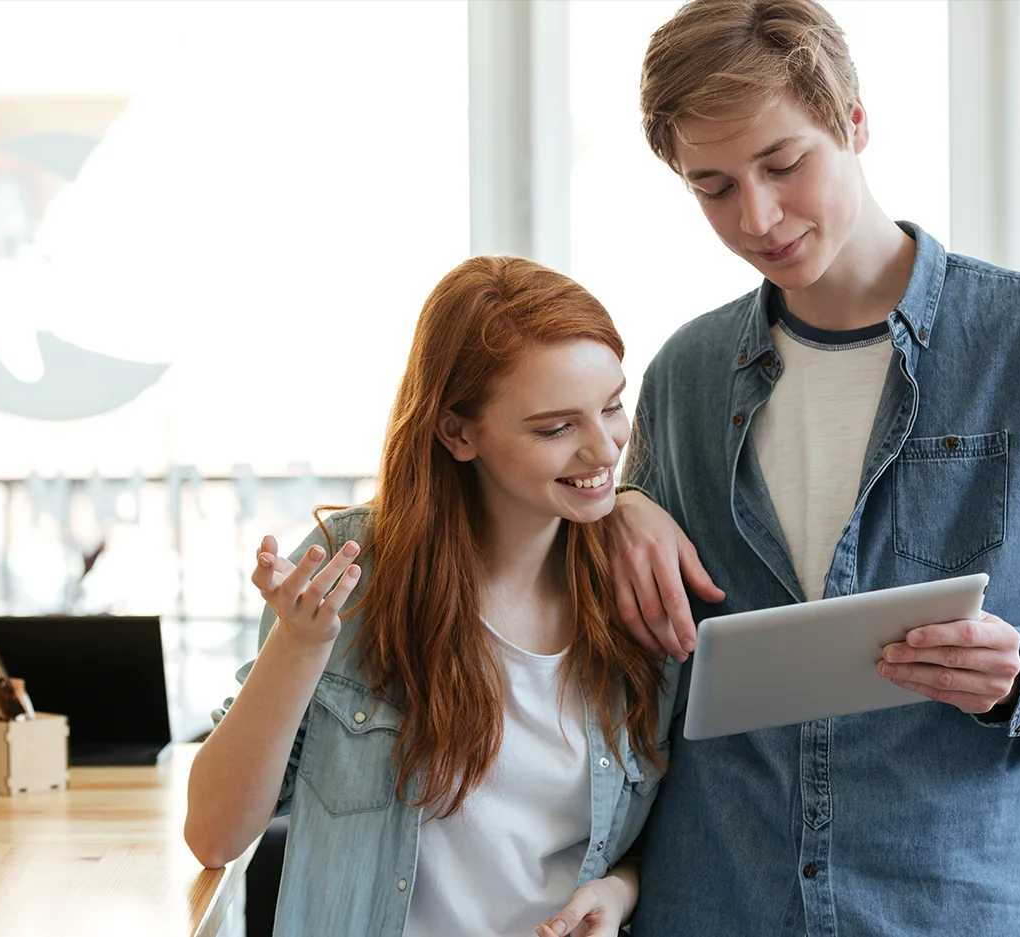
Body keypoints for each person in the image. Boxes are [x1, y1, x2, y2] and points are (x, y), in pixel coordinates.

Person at [605, 1, 1020, 934]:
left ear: (856, 120)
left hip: (951, 904)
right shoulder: (683, 376)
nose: (758, 216)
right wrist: (614, 508)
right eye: (712, 187)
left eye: (784, 164)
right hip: (718, 900)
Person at [185, 256, 678, 937]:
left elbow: (686, 823)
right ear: (457, 431)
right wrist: (299, 648)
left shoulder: (638, 581)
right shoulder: (353, 571)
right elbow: (214, 833)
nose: (603, 449)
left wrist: (621, 889)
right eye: (556, 428)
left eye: (613, 405)